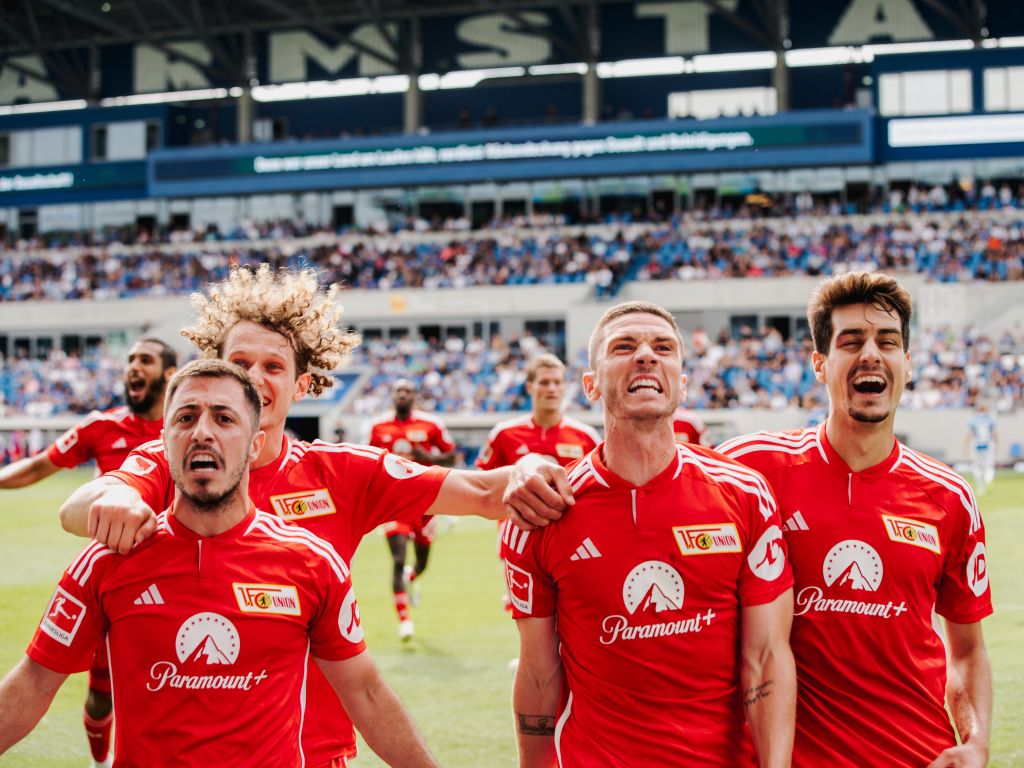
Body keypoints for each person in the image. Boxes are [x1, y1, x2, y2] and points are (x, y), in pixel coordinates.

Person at [58, 265, 567, 768]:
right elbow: (84, 505)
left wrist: (533, 464)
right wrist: (116, 500)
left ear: (301, 385)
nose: (255, 378)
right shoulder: (172, 464)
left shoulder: (340, 472)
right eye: (240, 362)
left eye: (273, 367)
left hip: (314, 754)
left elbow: (482, 491)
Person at [0, 359, 437, 767]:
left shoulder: (312, 562)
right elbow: (33, 683)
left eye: (224, 419)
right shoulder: (107, 561)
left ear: (254, 445)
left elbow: (366, 692)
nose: (202, 433)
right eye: (186, 418)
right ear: (164, 441)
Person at [502, 301, 796, 767]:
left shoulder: (743, 494)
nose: (645, 356)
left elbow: (765, 657)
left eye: (663, 347)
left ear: (681, 382)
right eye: (624, 347)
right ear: (591, 383)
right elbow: (539, 675)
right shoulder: (545, 512)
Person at [717, 272, 992, 767]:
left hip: (915, 756)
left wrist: (974, 741)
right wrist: (530, 467)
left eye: (887, 342)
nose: (871, 354)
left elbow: (967, 651)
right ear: (820, 365)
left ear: (906, 363)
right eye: (851, 341)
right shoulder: (750, 468)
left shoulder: (949, 496)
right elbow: (654, 476)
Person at [0, 336, 177, 768]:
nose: (134, 367)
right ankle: (103, 763)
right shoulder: (101, 427)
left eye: (146, 360)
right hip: (112, 580)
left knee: (176, 685)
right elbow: (41, 464)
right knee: (100, 699)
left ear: (169, 374)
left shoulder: (187, 428)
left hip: (176, 580)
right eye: (131, 359)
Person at [368, 379, 456, 641]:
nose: (403, 394)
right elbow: (369, 461)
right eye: (398, 391)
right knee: (397, 558)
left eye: (407, 391)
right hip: (393, 504)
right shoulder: (378, 427)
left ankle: (412, 577)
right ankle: (404, 621)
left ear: (414, 397)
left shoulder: (431, 425)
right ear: (393, 396)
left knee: (422, 562)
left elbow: (451, 456)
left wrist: (430, 458)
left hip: (427, 503)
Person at [476, 353, 601, 472]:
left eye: (557, 382)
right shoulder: (504, 434)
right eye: (544, 383)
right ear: (529, 387)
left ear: (564, 387)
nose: (551, 389)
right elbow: (481, 484)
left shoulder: (587, 437)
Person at [966, 403, 998, 495]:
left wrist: (965, 447)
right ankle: (988, 479)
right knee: (989, 465)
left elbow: (969, 434)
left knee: (977, 467)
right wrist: (997, 444)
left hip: (976, 445)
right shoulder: (991, 419)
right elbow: (994, 433)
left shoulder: (972, 419)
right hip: (988, 444)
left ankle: (981, 487)